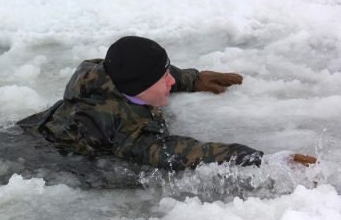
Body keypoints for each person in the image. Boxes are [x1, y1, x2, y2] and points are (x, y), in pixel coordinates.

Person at [17, 36, 316, 171]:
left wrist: (193, 79)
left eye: (168, 73)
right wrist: (259, 160)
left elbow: (155, 72)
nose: (170, 81)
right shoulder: (126, 130)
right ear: (138, 88)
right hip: (30, 157)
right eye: (163, 80)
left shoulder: (106, 74)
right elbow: (187, 154)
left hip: (34, 128)